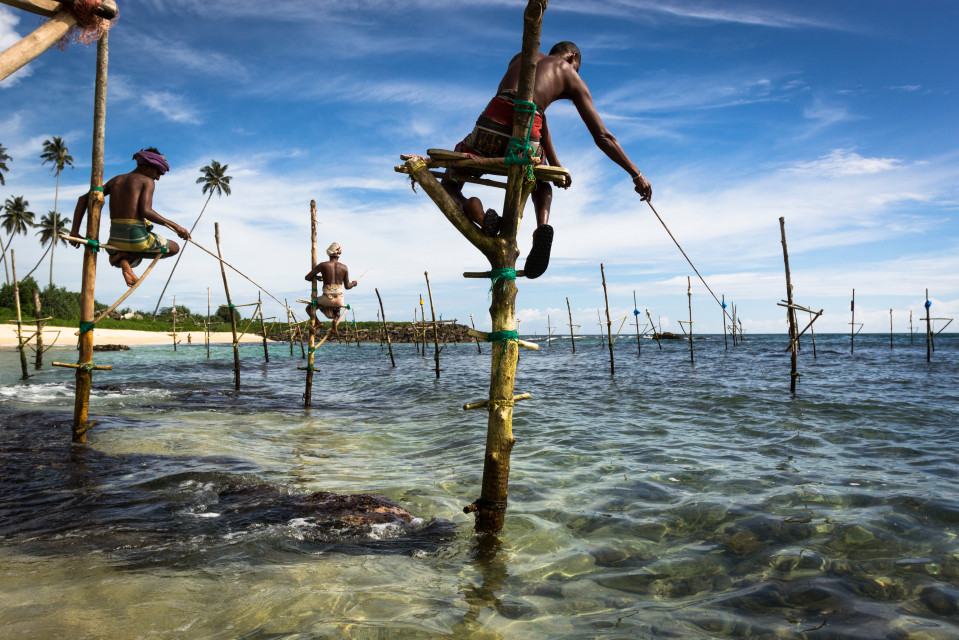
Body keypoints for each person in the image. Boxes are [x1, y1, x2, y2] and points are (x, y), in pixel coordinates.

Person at [442, 41, 652, 279]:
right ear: (572, 57)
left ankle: (472, 210)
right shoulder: (568, 72)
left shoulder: (521, 57)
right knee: (539, 177)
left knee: (450, 180)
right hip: (525, 139)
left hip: (488, 128)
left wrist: (556, 162)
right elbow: (602, 136)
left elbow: (531, 110)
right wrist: (636, 174)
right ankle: (542, 227)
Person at [70, 148, 190, 287]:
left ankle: (122, 258)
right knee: (174, 248)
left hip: (115, 239)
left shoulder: (115, 180)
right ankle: (122, 256)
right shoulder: (147, 181)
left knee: (118, 250)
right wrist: (176, 226)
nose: (157, 177)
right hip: (136, 237)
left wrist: (74, 231)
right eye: (157, 172)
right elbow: (146, 211)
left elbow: (83, 199)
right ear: (146, 166)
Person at [304, 242, 357, 336]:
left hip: (327, 299)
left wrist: (316, 277)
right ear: (339, 254)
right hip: (339, 300)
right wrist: (354, 283)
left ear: (329, 253)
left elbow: (307, 277)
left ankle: (318, 323)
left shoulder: (323, 265)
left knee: (309, 308)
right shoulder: (344, 267)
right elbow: (347, 287)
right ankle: (335, 320)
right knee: (337, 308)